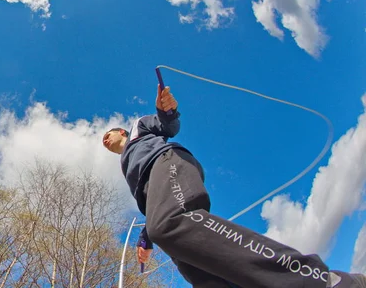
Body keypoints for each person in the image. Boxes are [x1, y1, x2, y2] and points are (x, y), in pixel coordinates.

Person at [102, 84, 366, 288]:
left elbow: (167, 125)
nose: (105, 139)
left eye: (108, 134)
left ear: (121, 132)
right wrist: (145, 238)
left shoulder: (139, 129)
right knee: (199, 269)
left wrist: (167, 110)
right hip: (155, 195)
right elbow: (153, 203)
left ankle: (320, 281)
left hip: (167, 161)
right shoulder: (127, 167)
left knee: (171, 224)